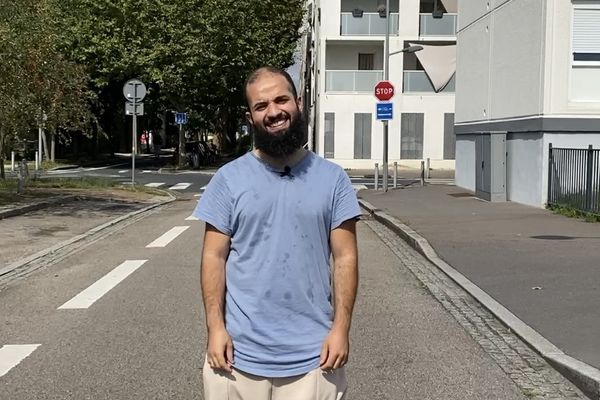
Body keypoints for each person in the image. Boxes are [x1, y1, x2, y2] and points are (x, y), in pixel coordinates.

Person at [193, 66, 361, 400]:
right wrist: (215, 328)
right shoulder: (229, 179)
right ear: (251, 116)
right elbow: (214, 257)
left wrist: (341, 329)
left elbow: (345, 258)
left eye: (281, 99)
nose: (273, 112)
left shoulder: (333, 179)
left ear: (298, 102)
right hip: (237, 358)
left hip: (315, 358)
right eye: (261, 106)